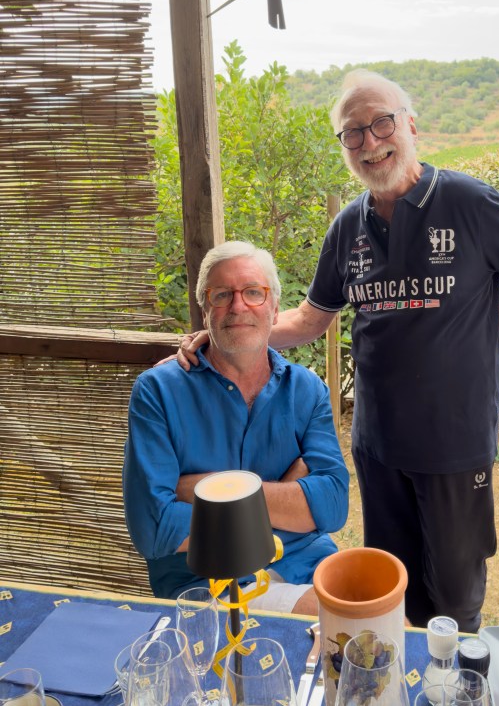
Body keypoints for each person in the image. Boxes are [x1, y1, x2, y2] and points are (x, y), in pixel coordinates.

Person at [178, 71, 499, 631]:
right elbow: (310, 319)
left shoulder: (466, 201)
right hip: (378, 443)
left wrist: (486, 335)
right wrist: (225, 333)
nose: (370, 141)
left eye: (381, 123)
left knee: (454, 601)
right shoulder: (347, 228)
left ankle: (449, 681)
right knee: (390, 585)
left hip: (453, 441)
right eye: (352, 132)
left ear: (411, 126)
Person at [124, 240, 349, 613]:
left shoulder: (306, 389)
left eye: (253, 292)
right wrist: (289, 497)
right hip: (206, 583)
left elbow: (333, 505)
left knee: (394, 617)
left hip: (305, 561)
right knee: (347, 618)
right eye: (222, 294)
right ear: (205, 309)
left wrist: (204, 490)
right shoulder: (158, 391)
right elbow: (155, 529)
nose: (238, 305)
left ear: (275, 309)